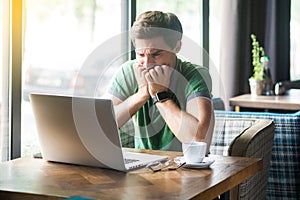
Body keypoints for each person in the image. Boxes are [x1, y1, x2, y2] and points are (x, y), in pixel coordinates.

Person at [103, 11, 214, 152]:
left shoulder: (195, 75)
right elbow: (102, 124)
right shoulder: (129, 71)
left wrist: (160, 95)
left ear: (177, 47)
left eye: (156, 54)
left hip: (186, 167)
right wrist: (142, 94)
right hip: (143, 167)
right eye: (141, 54)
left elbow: (199, 140)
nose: (147, 63)